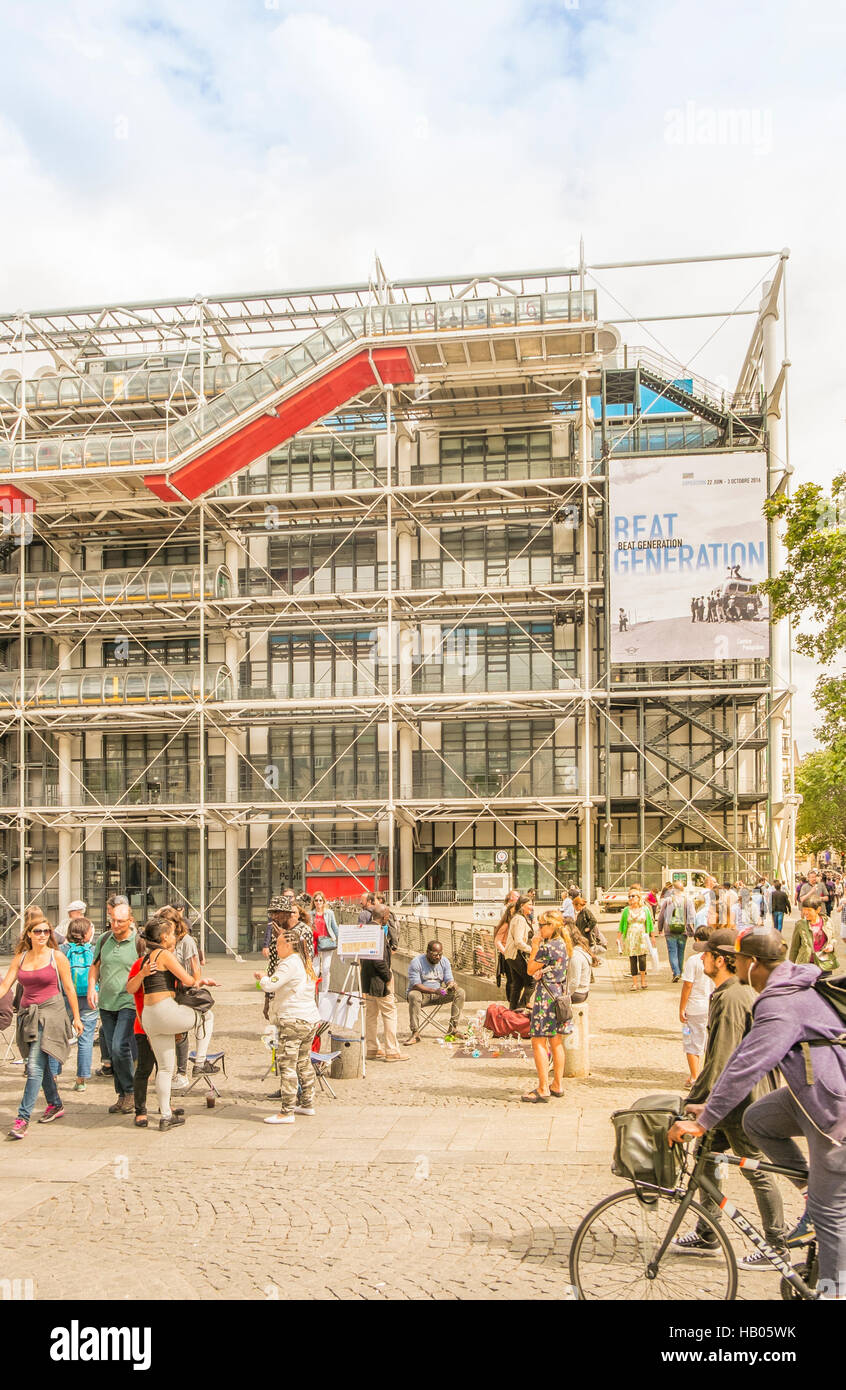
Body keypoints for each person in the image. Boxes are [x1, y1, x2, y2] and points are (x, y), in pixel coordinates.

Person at [668, 928, 846, 1294]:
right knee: (756, 1120)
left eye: (741, 962)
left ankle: (835, 1290)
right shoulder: (786, 990)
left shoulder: (781, 1003)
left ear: (752, 964)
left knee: (831, 1218)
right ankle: (811, 1192)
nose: (737, 967)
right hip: (806, 1096)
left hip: (833, 1112)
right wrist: (713, 1101)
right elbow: (742, 1055)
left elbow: (749, 1065)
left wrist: (704, 1121)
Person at [670, 928, 789, 1268]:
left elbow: (721, 1059)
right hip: (728, 1100)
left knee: (755, 1168)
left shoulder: (733, 997)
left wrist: (694, 1103)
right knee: (706, 1157)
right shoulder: (728, 992)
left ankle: (777, 1244)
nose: (701, 958)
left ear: (721, 960)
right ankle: (708, 1232)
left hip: (742, 1102)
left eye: (706, 954)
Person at [127, 918, 217, 1131]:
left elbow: (131, 988)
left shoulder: (146, 958)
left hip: (149, 1017)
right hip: (165, 1010)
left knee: (165, 1069)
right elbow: (187, 980)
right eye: (174, 933)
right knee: (207, 1016)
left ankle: (166, 1116)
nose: (177, 937)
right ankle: (200, 1062)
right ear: (164, 936)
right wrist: (200, 979)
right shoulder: (165, 954)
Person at [1, 915, 83, 1138]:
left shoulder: (57, 957)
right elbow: (6, 985)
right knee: (43, 1061)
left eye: (46, 931)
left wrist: (76, 1017)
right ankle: (55, 1104)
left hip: (51, 1013)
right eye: (37, 931)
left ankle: (22, 1119)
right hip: (28, 1014)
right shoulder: (21, 957)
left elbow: (69, 988)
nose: (42, 935)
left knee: (34, 1066)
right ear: (28, 933)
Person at [260, 925, 321, 1124]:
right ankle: (307, 1103)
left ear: (288, 944)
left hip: (292, 1019)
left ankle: (287, 1111)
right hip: (309, 1018)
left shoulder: (289, 963)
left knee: (287, 1064)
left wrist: (263, 978)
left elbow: (271, 985)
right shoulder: (305, 961)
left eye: (278, 944)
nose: (276, 949)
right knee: (304, 1061)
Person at [87, 903, 141, 1114]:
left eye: (120, 921)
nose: (115, 924)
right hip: (106, 1003)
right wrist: (92, 987)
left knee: (120, 1047)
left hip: (129, 1002)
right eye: (112, 920)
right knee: (111, 1050)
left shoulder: (138, 942)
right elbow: (95, 966)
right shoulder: (104, 939)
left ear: (130, 921)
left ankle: (130, 1091)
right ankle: (122, 1095)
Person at [521, 909, 571, 1102]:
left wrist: (535, 946)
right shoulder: (564, 944)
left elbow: (530, 968)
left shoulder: (547, 946)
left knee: (538, 1041)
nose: (539, 928)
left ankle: (543, 1088)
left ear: (552, 926)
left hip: (546, 997)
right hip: (559, 993)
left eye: (542, 925)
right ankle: (557, 1084)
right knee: (556, 1041)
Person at [360, 905, 408, 1062]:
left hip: (367, 980)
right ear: (384, 916)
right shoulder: (378, 933)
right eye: (388, 915)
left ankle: (372, 1048)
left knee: (371, 1015)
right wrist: (388, 976)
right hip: (379, 980)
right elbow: (378, 961)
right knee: (389, 1013)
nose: (389, 917)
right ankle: (392, 1050)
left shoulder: (365, 930)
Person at [60, 917, 98, 1091]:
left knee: (59, 1037)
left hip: (66, 997)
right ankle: (81, 1080)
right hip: (89, 998)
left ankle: (53, 1075)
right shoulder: (94, 950)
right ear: (85, 932)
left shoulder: (62, 950)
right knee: (86, 1039)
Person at [405, 941, 466, 1041]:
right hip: (422, 995)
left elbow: (448, 979)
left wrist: (451, 984)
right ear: (428, 952)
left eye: (440, 954)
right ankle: (415, 1032)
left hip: (439, 994)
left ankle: (453, 1029)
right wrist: (434, 991)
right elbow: (415, 985)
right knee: (413, 995)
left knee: (460, 992)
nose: (438, 957)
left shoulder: (444, 961)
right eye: (435, 955)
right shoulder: (416, 962)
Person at [679, 926, 714, 1085]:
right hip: (711, 1006)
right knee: (709, 1042)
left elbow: (687, 985)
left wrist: (681, 1008)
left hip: (694, 1007)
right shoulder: (717, 959)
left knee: (691, 1040)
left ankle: (694, 1077)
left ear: (697, 940)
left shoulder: (694, 960)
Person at [789, 892, 837, 973]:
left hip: (824, 964)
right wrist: (790, 967)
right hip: (806, 966)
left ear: (818, 910)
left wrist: (831, 946)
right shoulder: (800, 925)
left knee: (823, 985)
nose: (805, 913)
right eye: (804, 910)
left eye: (809, 910)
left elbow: (832, 939)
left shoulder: (828, 922)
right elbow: (794, 948)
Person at [619, 887, 654, 991]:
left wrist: (652, 937)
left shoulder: (645, 909)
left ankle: (643, 980)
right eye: (629, 896)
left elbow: (650, 924)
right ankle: (634, 983)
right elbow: (621, 925)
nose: (631, 898)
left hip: (642, 937)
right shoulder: (626, 910)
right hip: (630, 937)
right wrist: (619, 938)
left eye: (633, 896)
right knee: (633, 960)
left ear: (639, 898)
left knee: (642, 959)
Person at [657, 882, 693, 982]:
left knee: (672, 951)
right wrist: (691, 931)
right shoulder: (688, 901)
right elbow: (691, 917)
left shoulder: (668, 900)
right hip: (683, 931)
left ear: (673, 889)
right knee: (681, 952)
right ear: (683, 890)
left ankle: (676, 972)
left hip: (670, 930)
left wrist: (660, 928)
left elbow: (661, 916)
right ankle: (680, 972)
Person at [503, 895, 534, 1010]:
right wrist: (532, 950)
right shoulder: (520, 919)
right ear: (522, 905)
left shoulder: (518, 918)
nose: (532, 907)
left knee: (518, 983)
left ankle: (512, 1010)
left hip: (511, 955)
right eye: (529, 904)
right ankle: (520, 1008)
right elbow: (518, 942)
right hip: (516, 954)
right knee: (531, 981)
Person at [310, 892, 339, 998]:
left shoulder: (329, 913)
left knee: (326, 968)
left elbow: (334, 927)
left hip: (327, 942)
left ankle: (324, 992)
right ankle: (313, 991)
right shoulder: (311, 914)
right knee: (315, 970)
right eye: (316, 900)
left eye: (320, 900)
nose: (318, 902)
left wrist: (341, 940)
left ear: (323, 901)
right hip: (316, 944)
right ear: (313, 902)